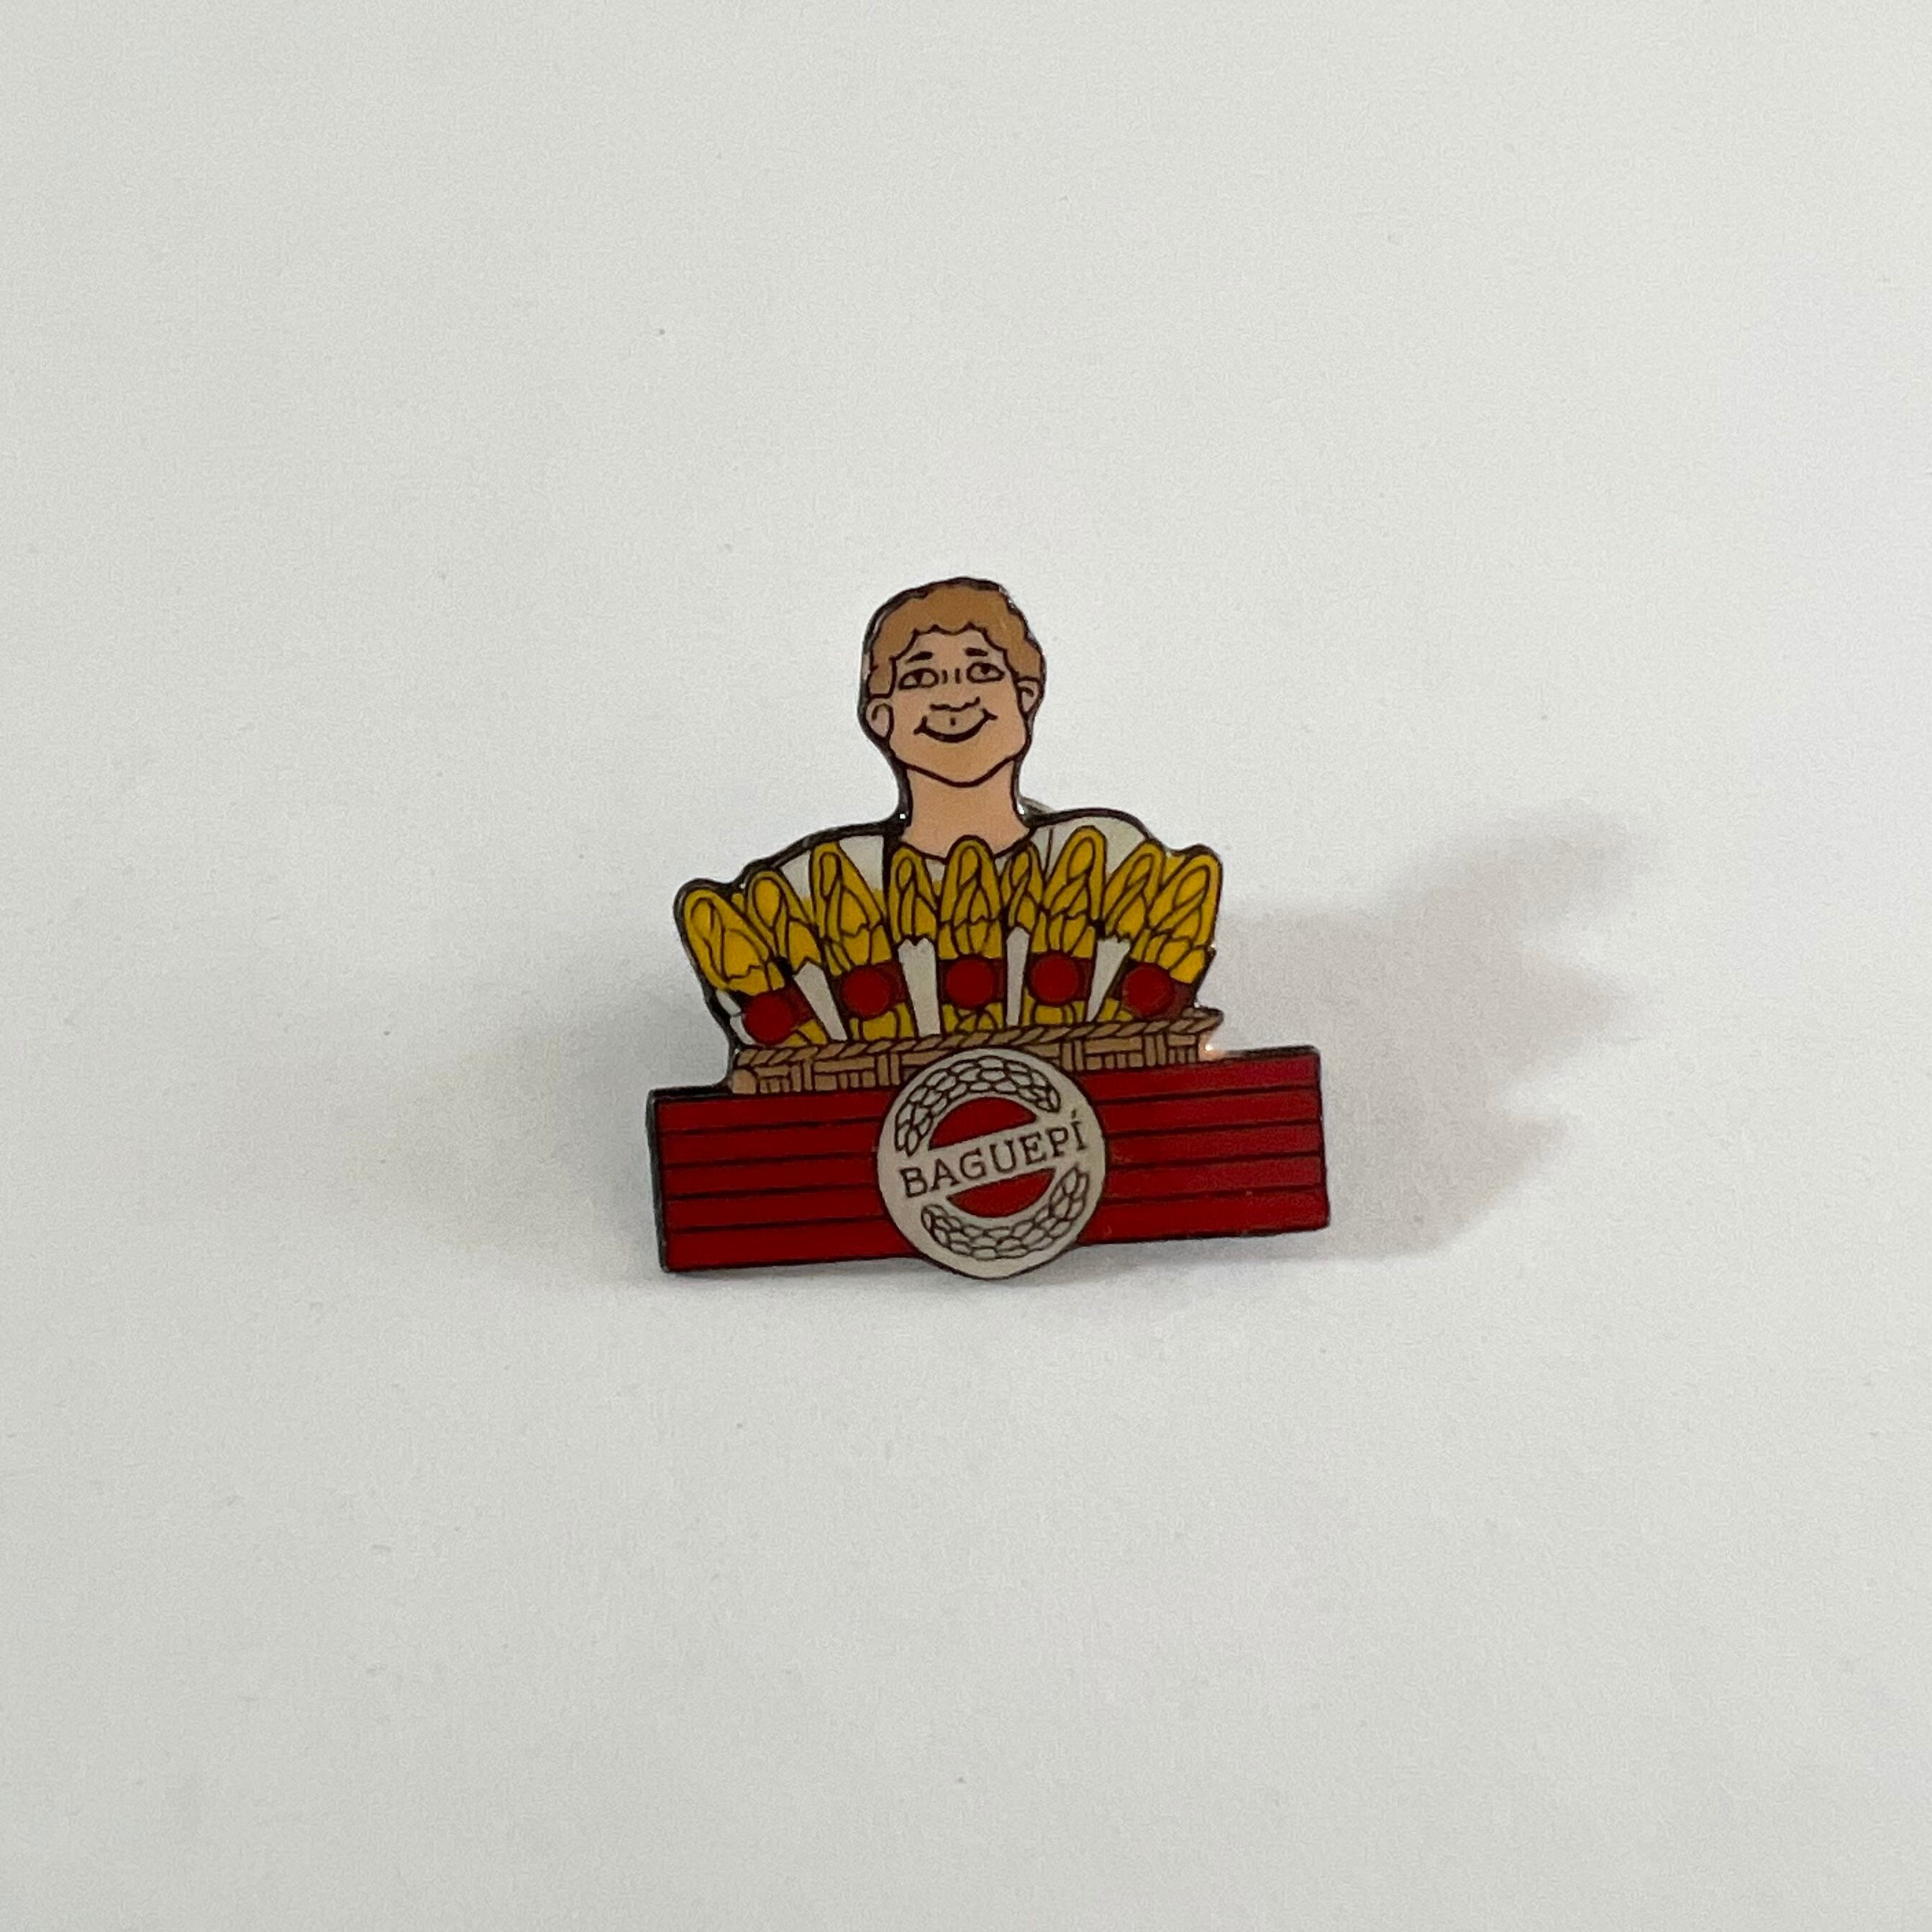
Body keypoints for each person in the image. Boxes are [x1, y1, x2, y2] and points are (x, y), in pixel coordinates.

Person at [680, 579, 1212, 1044]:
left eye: (982, 671)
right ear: (880, 716)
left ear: (1026, 697)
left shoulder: (1116, 866)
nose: (955, 699)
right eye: (920, 678)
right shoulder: (809, 891)